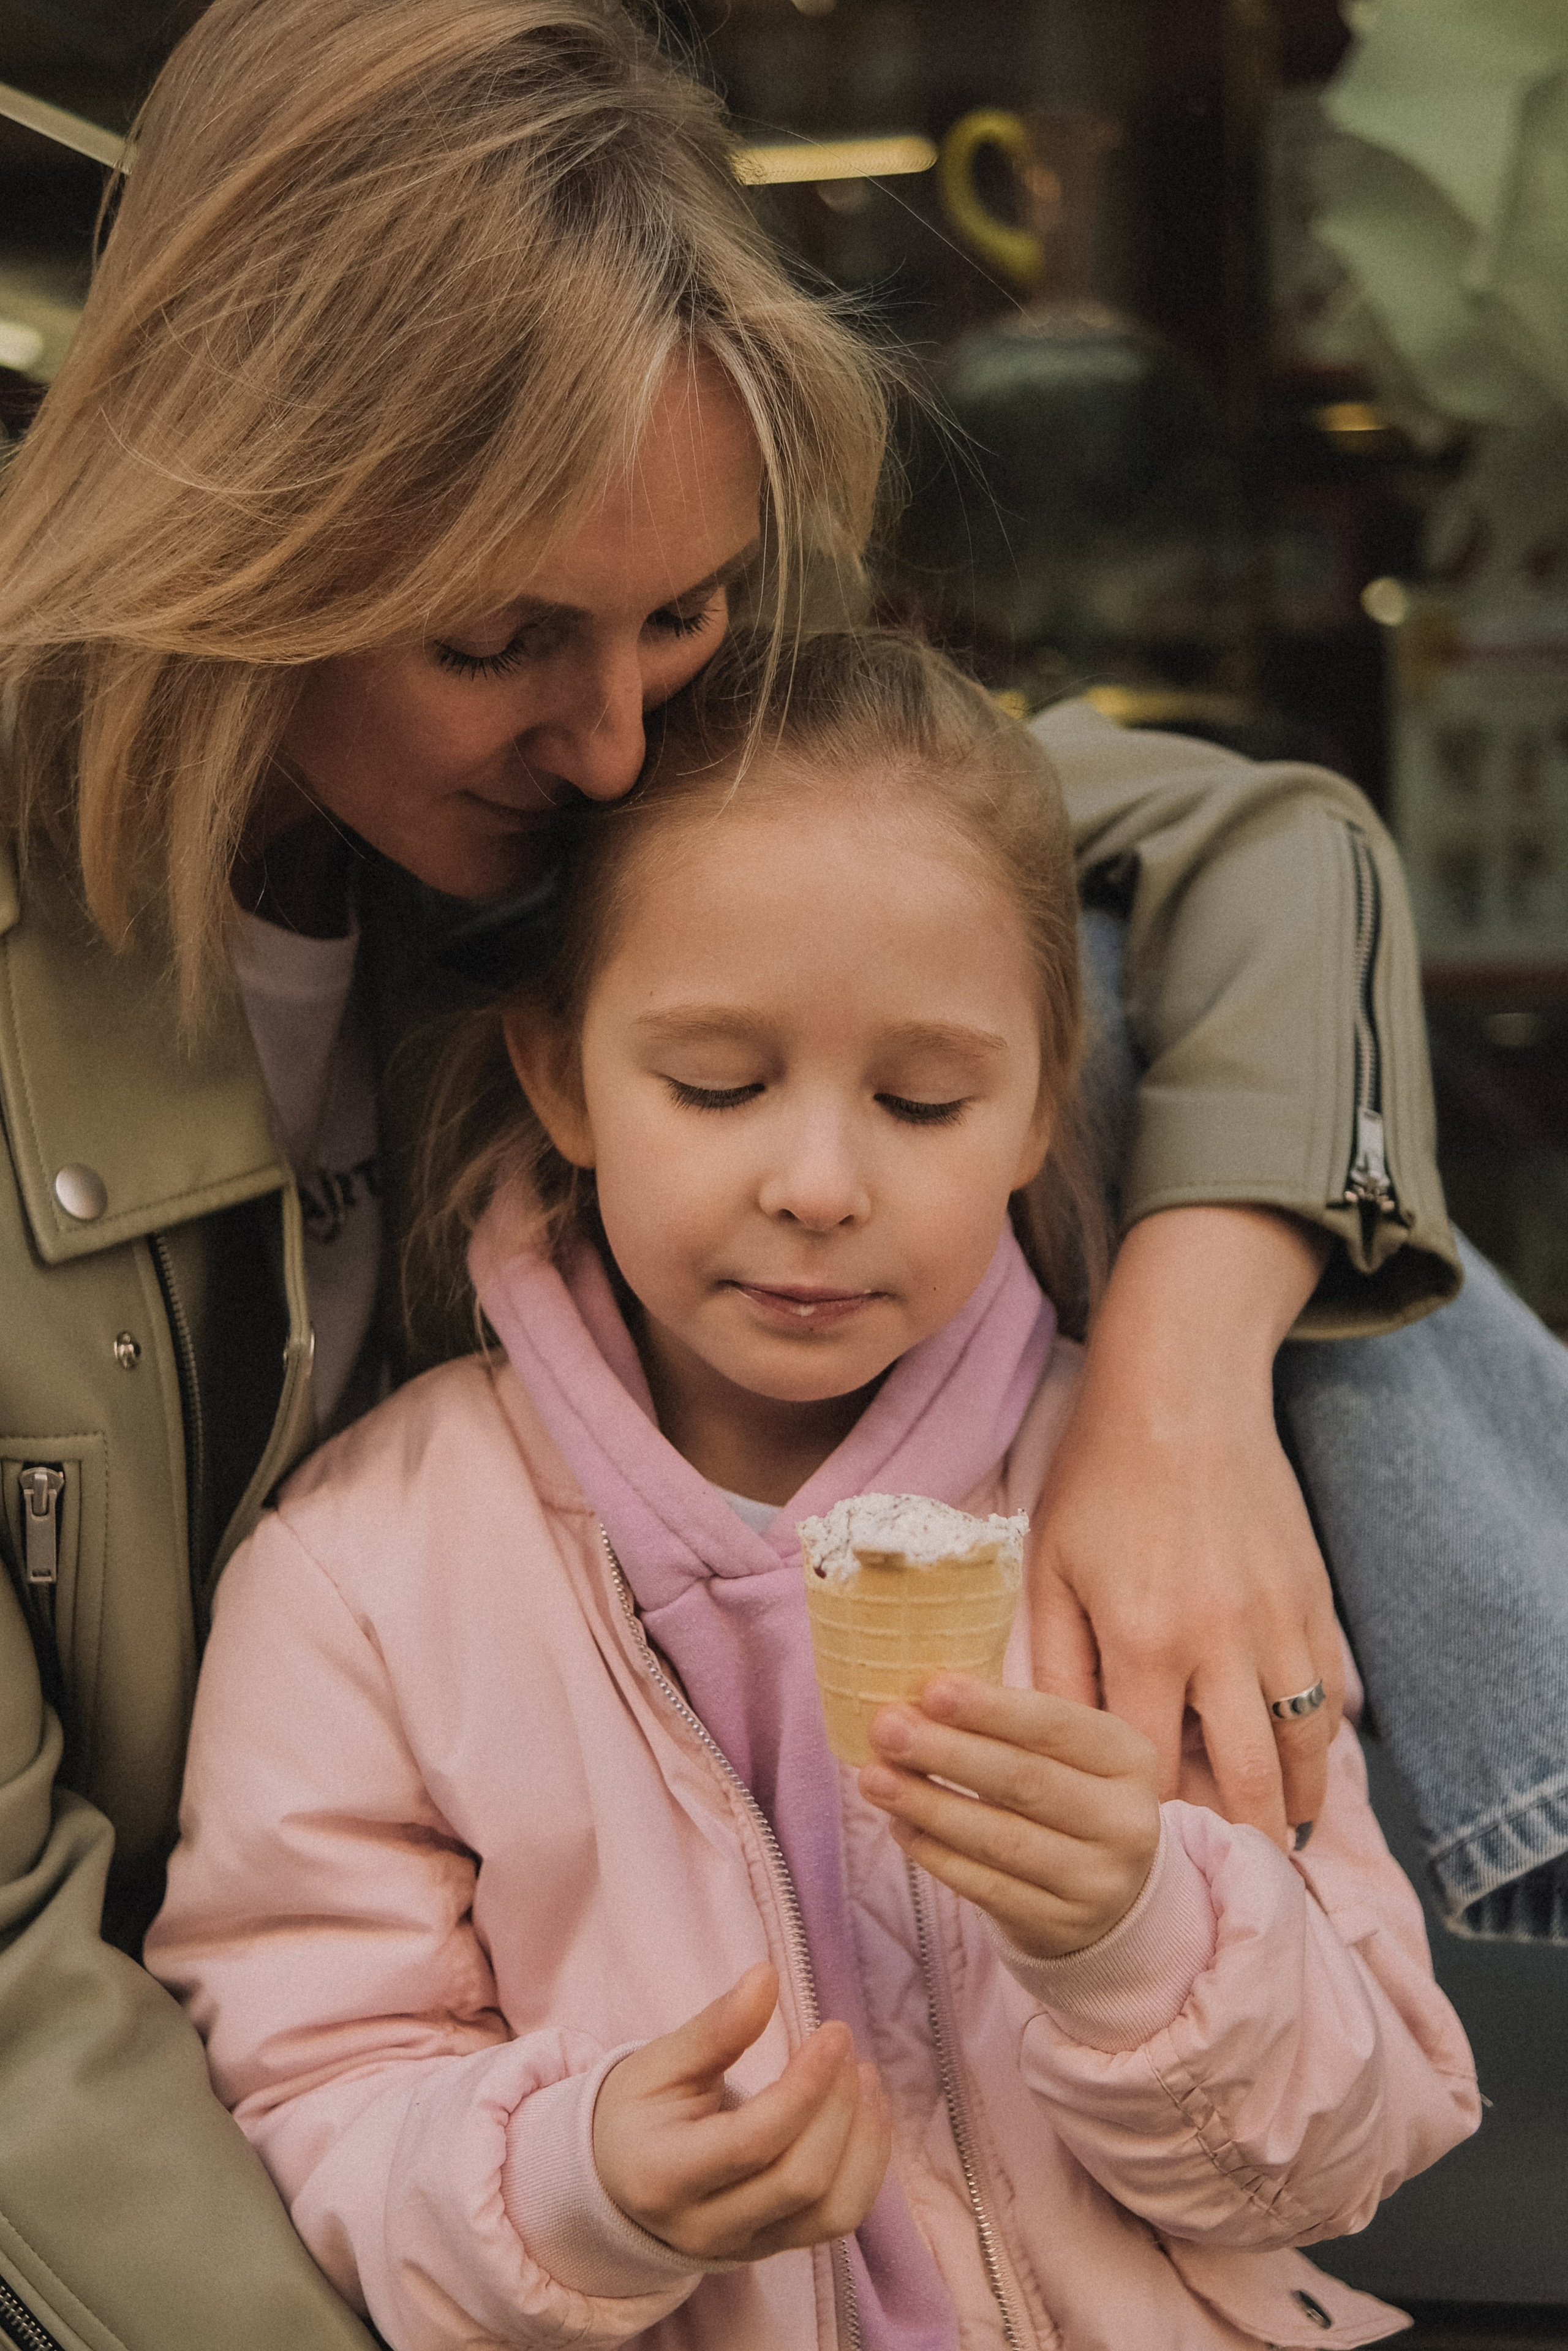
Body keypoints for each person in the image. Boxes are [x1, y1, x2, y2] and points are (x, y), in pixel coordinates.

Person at [0, 6, 1471, 2349]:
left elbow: (1253, 843)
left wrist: (1176, 1389)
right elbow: (92, 2020)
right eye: (498, 641)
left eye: (682, 617)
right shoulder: (390, 1552)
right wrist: (553, 2211)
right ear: (248, 532)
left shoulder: (607, 809)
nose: (617, 746)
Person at [145, 629, 1480, 2351]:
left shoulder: (1150, 1528)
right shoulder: (364, 1574)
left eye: (925, 1102)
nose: (820, 1183)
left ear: (1035, 1106)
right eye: (718, 1084)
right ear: (561, 1077)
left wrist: (1145, 1936)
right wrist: (571, 2187)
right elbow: (313, 2086)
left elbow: (1350, 2149)